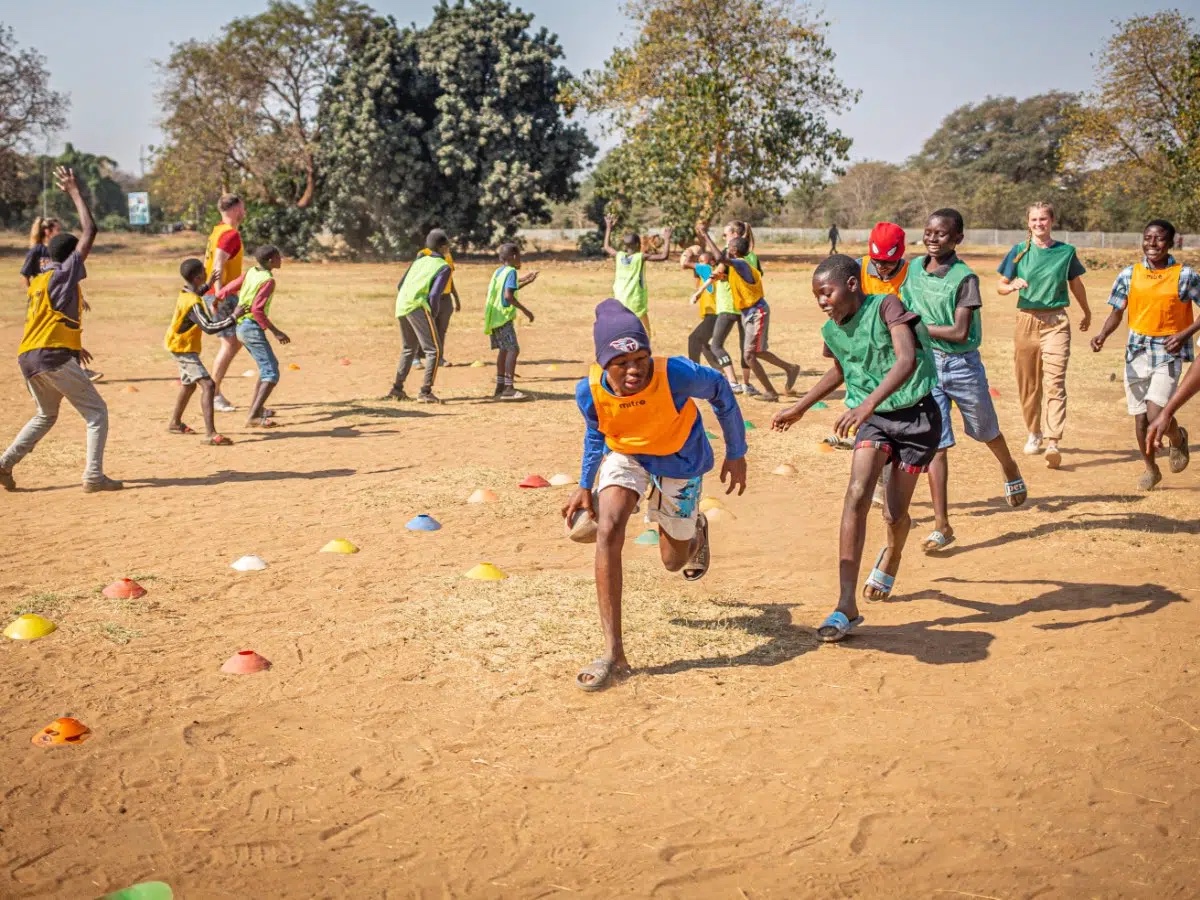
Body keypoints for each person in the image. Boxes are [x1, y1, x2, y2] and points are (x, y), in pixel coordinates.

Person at [563, 298, 748, 691]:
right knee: (608, 530)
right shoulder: (589, 389)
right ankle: (614, 653)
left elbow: (720, 391)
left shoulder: (676, 373)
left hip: (680, 457)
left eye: (641, 358)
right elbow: (597, 430)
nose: (634, 369)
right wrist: (584, 484)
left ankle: (694, 532)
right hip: (628, 453)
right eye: (621, 363)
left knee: (671, 561)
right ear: (603, 363)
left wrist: (736, 452)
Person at [771, 254, 941, 642]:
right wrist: (799, 408)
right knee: (857, 493)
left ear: (851, 284)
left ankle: (893, 554)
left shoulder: (886, 305)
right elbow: (841, 370)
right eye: (816, 296)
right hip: (876, 421)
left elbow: (906, 358)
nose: (821, 302)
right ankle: (846, 603)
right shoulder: (831, 332)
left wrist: (866, 403)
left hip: (917, 418)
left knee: (896, 513)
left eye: (826, 292)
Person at [899, 209, 1027, 553]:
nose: (932, 238)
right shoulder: (912, 268)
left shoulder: (964, 278)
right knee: (936, 444)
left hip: (960, 365)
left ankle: (1009, 465)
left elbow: (959, 331)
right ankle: (943, 525)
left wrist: (914, 329)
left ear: (958, 239)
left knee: (985, 430)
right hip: (926, 365)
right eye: (928, 232)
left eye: (941, 234)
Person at [0, 167, 121, 493]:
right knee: (97, 413)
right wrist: (74, 191)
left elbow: (45, 320)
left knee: (46, 414)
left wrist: (73, 347)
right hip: (50, 357)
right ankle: (93, 477)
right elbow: (90, 229)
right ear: (70, 259)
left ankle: (5, 463)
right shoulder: (63, 274)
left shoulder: (40, 280)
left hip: (30, 357)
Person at [1091, 219, 1199, 490]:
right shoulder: (1129, 274)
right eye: (1148, 237)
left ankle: (1177, 438)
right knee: (1140, 417)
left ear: (1171, 243)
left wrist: (1185, 334)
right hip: (1136, 353)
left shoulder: (1185, 275)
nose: (1152, 244)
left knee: (1155, 412)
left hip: (1168, 351)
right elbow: (1117, 311)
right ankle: (1151, 468)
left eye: (1159, 238)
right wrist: (1103, 334)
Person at [997, 201, 1092, 469]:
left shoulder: (1066, 252)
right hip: (1026, 321)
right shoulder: (1018, 252)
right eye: (1034, 220)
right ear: (1028, 223)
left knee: (1055, 382)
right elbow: (999, 286)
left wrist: (1086, 312)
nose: (1039, 224)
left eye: (1044, 219)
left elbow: (1076, 284)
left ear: (1052, 221)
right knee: (1028, 385)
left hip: (1056, 322)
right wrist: (1011, 285)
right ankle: (1034, 432)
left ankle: (1053, 441)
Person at [698, 225, 802, 401]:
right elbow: (720, 268)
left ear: (734, 250)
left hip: (756, 311)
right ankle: (790, 368)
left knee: (749, 354)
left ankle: (771, 391)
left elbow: (720, 257)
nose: (727, 249)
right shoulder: (737, 267)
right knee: (757, 352)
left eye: (729, 247)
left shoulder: (741, 264)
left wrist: (706, 236)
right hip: (750, 312)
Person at [858, 222, 910, 507]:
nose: (882, 268)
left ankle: (890, 484)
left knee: (896, 423)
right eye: (878, 262)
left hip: (899, 360)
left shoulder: (911, 274)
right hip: (868, 360)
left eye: (889, 263)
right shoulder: (858, 269)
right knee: (872, 422)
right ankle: (879, 483)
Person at [165, 258, 240, 445]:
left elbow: (195, 294)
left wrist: (207, 285)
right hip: (183, 348)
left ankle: (175, 422)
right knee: (208, 385)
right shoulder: (193, 303)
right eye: (204, 273)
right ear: (198, 277)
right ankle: (210, 434)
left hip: (179, 344)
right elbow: (208, 326)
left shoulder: (186, 292)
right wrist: (233, 317)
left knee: (189, 385)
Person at [22, 216, 104, 383]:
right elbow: (26, 274)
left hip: (59, 295)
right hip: (46, 298)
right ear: (48, 231)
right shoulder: (38, 251)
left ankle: (79, 367)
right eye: (58, 229)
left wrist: (78, 298)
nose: (61, 232)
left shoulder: (58, 251)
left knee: (68, 326)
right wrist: (33, 294)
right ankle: (75, 368)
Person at [387, 231, 453, 404]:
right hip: (417, 305)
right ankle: (425, 391)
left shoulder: (419, 260)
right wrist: (433, 313)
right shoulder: (443, 266)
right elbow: (434, 295)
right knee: (434, 350)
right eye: (447, 245)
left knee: (409, 348)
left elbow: (400, 284)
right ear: (443, 247)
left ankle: (397, 389)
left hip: (402, 303)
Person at [234, 245, 290, 427]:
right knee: (271, 372)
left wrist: (220, 295)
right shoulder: (268, 280)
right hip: (251, 327)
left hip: (241, 326)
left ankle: (256, 410)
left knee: (265, 368)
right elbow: (258, 310)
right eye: (278, 257)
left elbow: (236, 283)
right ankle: (253, 417)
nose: (280, 260)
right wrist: (276, 331)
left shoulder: (252, 271)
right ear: (270, 261)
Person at [204, 194, 247, 413]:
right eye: (243, 206)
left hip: (220, 293)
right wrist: (220, 294)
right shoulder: (229, 234)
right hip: (221, 294)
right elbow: (218, 264)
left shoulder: (218, 230)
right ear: (236, 208)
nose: (245, 210)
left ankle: (214, 391)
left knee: (234, 342)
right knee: (230, 343)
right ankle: (214, 393)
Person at [483, 243, 538, 401]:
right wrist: (526, 311)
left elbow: (509, 288)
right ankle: (509, 388)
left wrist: (527, 280)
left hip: (494, 318)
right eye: (519, 256)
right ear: (514, 257)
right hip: (504, 319)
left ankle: (500, 386)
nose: (520, 260)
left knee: (504, 350)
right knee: (513, 350)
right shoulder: (511, 271)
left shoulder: (499, 271)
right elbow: (508, 295)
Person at [603, 212, 672, 335]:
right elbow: (663, 256)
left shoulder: (619, 256)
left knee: (623, 332)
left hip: (620, 301)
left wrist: (609, 227)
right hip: (636, 302)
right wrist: (667, 238)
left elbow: (607, 247)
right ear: (637, 245)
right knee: (646, 334)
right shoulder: (640, 257)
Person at [417, 229, 461, 368]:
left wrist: (456, 297)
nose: (447, 246)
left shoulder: (447, 256)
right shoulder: (423, 254)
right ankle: (416, 357)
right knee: (425, 328)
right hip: (429, 297)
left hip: (445, 298)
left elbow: (449, 278)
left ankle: (439, 357)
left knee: (441, 329)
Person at [681, 245, 720, 368]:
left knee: (693, 339)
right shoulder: (711, 271)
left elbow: (685, 263)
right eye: (700, 261)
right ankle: (720, 369)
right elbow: (696, 276)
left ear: (712, 262)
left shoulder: (707, 269)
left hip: (714, 314)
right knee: (703, 343)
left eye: (704, 261)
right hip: (714, 314)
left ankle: (694, 370)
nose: (701, 264)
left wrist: (689, 251)